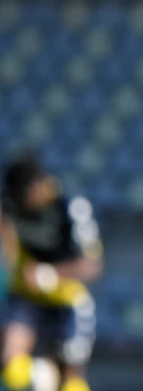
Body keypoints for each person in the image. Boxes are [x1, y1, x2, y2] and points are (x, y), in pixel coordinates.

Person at [0, 153, 103, 391]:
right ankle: (44, 377)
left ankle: (49, 377)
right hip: (27, 297)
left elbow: (92, 265)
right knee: (12, 368)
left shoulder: (70, 207)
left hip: (66, 300)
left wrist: (48, 275)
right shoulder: (10, 203)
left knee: (72, 383)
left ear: (37, 187)